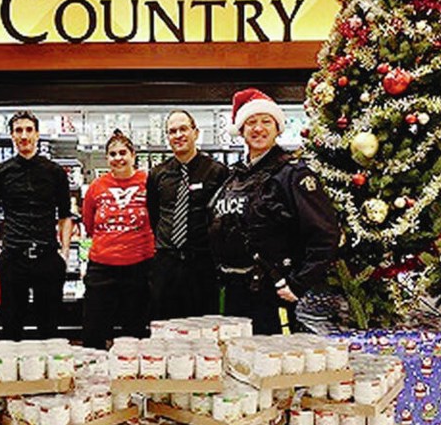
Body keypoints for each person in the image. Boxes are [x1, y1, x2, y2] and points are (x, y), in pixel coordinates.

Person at [208, 88, 340, 334]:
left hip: (273, 294)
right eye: (251, 123)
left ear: (278, 128)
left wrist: (298, 284)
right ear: (241, 131)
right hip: (235, 292)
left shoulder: (293, 174)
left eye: (266, 122)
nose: (258, 129)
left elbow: (326, 234)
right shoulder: (234, 178)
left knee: (273, 367)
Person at [0, 111, 72, 340]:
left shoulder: (55, 172)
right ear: (12, 136)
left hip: (48, 257)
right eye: (18, 130)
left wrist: (63, 253)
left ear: (37, 134)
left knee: (50, 327)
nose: (24, 136)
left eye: (28, 130)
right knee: (11, 326)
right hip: (13, 258)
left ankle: (52, 376)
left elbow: (65, 216)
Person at [147, 110, 229, 319]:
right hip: (167, 263)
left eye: (183, 129)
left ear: (195, 132)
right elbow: (154, 214)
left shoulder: (217, 171)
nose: (178, 135)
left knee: (204, 326)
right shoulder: (158, 174)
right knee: (164, 325)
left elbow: (222, 218)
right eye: (172, 131)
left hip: (202, 263)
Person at [81, 130, 155, 349]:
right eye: (112, 154)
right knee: (93, 329)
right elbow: (89, 224)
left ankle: (131, 378)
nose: (118, 158)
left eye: (123, 152)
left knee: (136, 331)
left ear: (133, 155)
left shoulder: (149, 182)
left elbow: (158, 216)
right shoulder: (96, 187)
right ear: (107, 159)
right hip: (102, 267)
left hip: (139, 267)